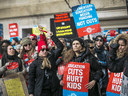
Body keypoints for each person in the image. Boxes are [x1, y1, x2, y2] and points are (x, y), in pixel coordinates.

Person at [28, 31, 64, 96]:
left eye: (46, 50)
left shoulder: (52, 58)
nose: (45, 51)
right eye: (42, 50)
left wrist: (52, 37)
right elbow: (31, 79)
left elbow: (60, 47)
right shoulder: (34, 63)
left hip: (54, 90)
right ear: (39, 51)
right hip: (41, 91)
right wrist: (31, 93)